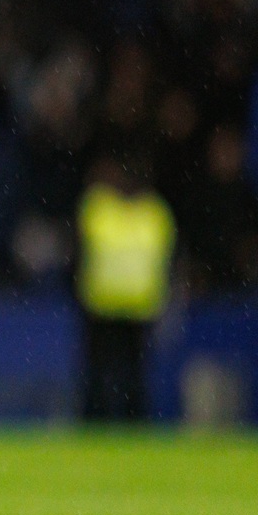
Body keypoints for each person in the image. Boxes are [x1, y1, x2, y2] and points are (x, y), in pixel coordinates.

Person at [76, 155, 176, 421]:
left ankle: (118, 422)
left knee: (126, 375)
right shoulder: (152, 213)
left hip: (123, 307)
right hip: (114, 307)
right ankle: (112, 421)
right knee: (112, 375)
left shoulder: (103, 208)